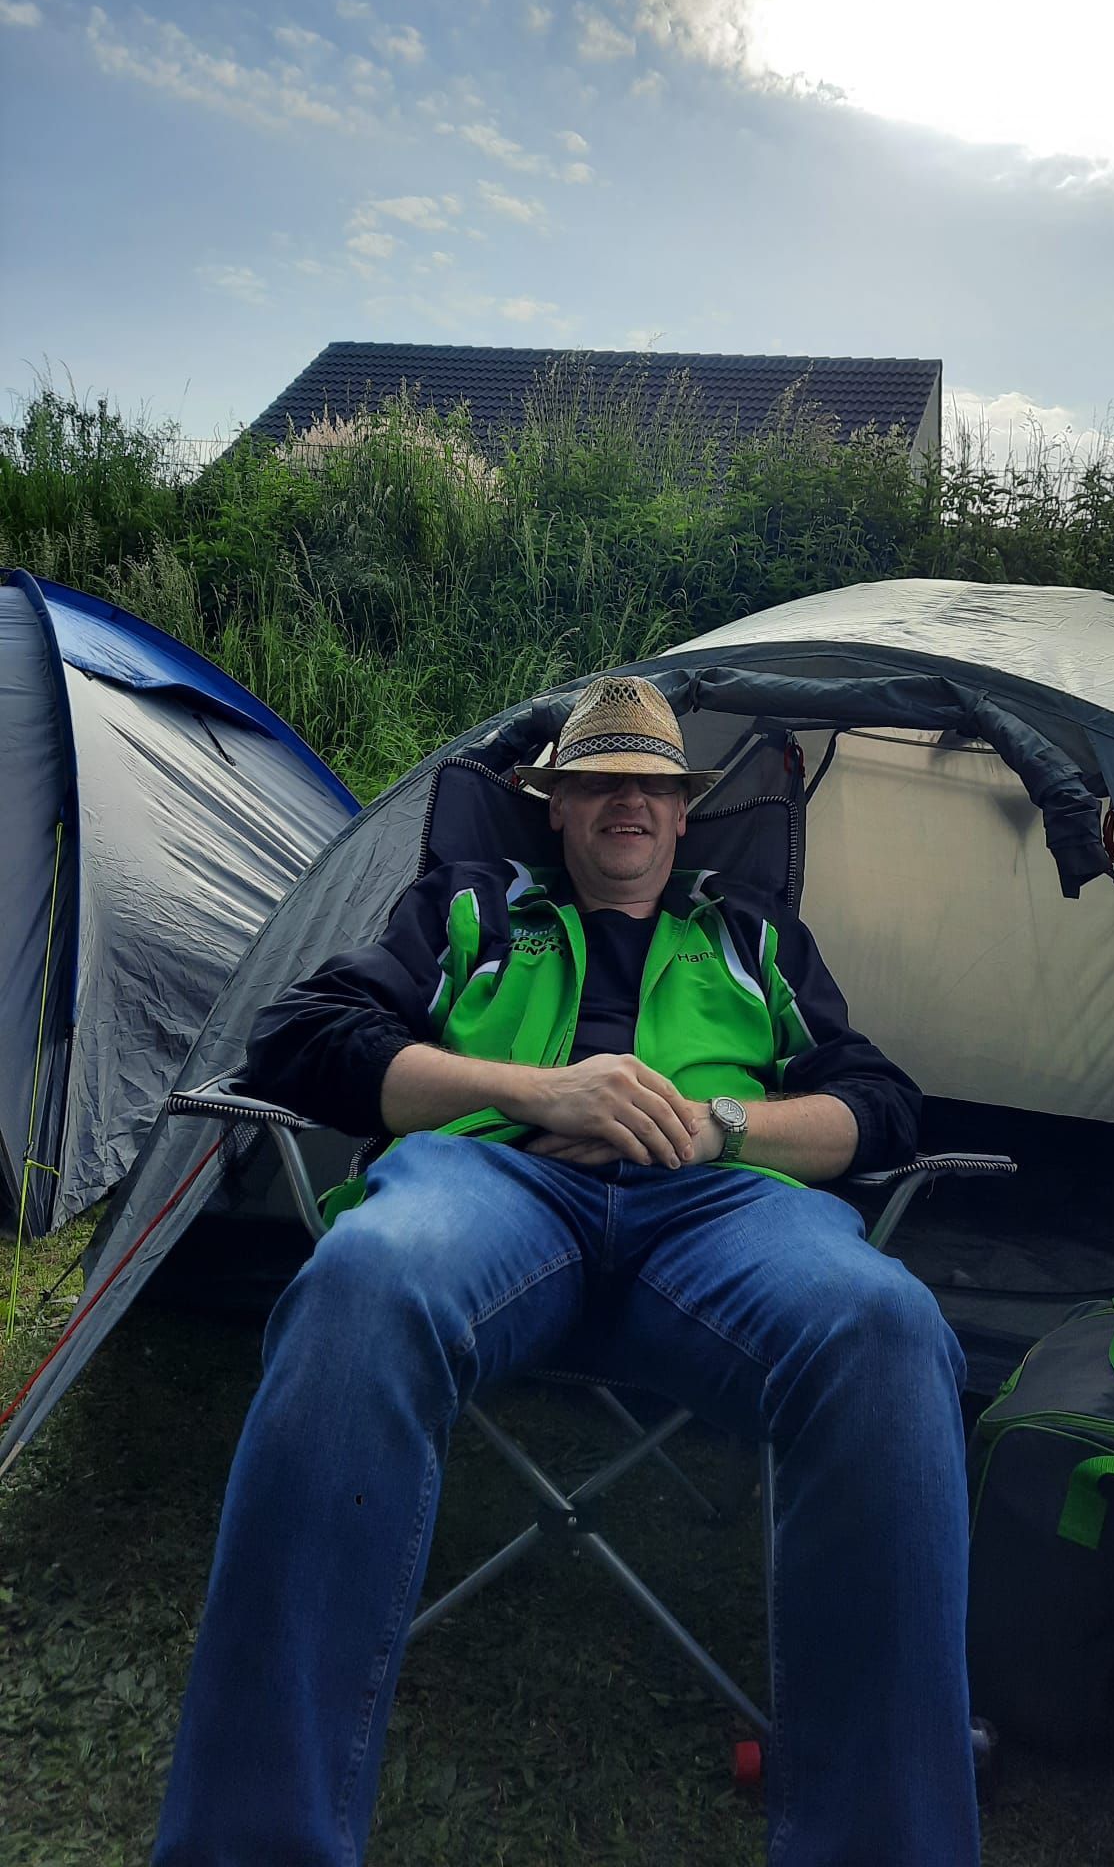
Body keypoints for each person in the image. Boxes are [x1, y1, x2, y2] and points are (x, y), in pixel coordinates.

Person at [153, 676, 979, 1867]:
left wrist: (717, 1127)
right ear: (555, 803)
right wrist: (539, 1091)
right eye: (597, 780)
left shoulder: (753, 938)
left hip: (716, 1210)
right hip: (494, 1187)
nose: (626, 799)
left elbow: (880, 1103)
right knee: (360, 1283)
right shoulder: (472, 907)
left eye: (653, 781)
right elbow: (302, 1036)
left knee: (887, 1331)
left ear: (686, 812)